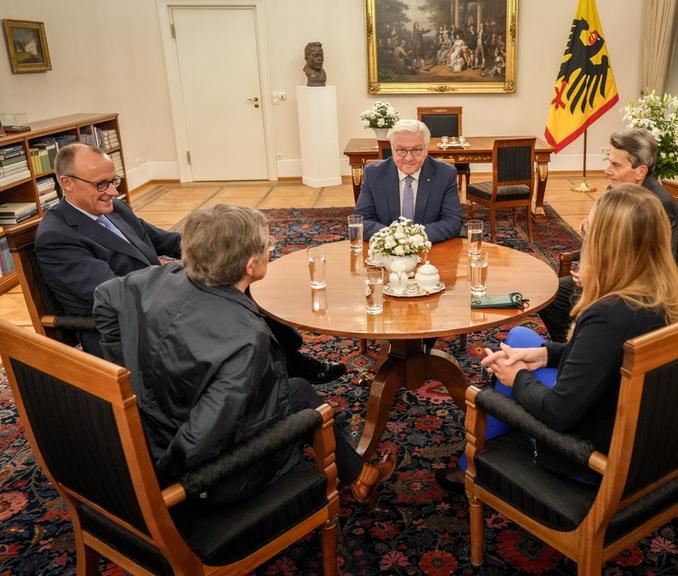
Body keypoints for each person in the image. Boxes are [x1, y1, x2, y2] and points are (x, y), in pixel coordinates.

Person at [93, 204, 395, 506]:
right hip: (216, 481)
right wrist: (164, 483)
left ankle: (360, 476)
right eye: (268, 244)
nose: (271, 248)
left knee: (298, 389)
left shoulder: (157, 278)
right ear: (251, 265)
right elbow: (200, 440)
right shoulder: (245, 339)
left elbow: (104, 298)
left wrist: (125, 379)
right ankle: (359, 477)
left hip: (158, 416)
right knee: (302, 401)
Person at [436, 184, 678, 492]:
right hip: (649, 433)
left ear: (608, 245)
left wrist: (515, 377)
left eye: (588, 233)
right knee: (520, 339)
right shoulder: (669, 294)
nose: (584, 242)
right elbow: (608, 355)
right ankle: (471, 464)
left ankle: (474, 468)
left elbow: (558, 413)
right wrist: (544, 355)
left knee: (500, 379)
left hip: (594, 455)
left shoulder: (610, 314)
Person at [34, 143, 344, 384]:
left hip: (160, 300)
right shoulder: (57, 237)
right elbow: (113, 294)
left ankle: (286, 361)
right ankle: (268, 375)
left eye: (113, 181)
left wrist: (225, 248)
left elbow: (165, 240)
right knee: (228, 293)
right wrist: (187, 278)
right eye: (101, 184)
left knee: (237, 278)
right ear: (68, 183)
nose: (113, 191)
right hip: (132, 326)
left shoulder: (115, 208)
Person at [538, 128, 678, 342]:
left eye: (616, 165)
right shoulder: (619, 188)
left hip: (633, 296)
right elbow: (596, 230)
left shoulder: (656, 205)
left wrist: (599, 277)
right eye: (609, 161)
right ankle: (570, 349)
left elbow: (653, 268)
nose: (606, 170)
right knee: (548, 294)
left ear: (640, 171)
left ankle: (584, 351)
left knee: (566, 300)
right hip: (604, 277)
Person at [352, 119, 463, 243]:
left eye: (416, 150)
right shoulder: (373, 174)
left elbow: (453, 222)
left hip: (430, 250)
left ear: (426, 149)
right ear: (392, 149)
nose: (408, 158)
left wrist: (415, 238)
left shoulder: (445, 174)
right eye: (401, 150)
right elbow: (360, 221)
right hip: (386, 251)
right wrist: (394, 238)